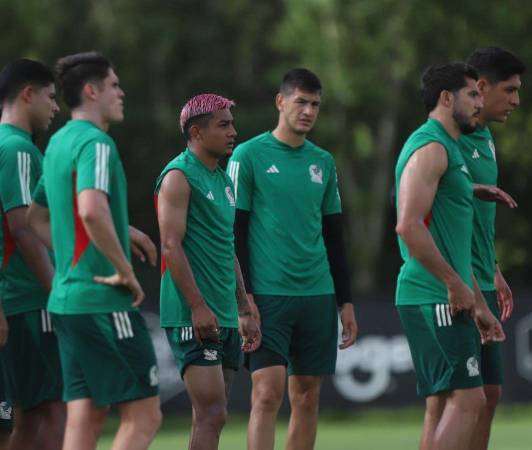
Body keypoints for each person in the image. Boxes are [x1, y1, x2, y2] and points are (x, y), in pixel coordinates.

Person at [27, 51, 161, 450]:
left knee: (85, 418)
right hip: (103, 300)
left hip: (67, 302)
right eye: (115, 85)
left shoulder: (56, 144)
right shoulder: (96, 143)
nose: (121, 92)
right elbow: (90, 208)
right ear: (92, 90)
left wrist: (100, 242)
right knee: (144, 417)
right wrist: (123, 268)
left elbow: (37, 219)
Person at [227, 68, 358, 450]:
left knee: (307, 397)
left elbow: (335, 236)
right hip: (267, 296)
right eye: (301, 101)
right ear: (280, 102)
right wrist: (244, 297)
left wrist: (345, 300)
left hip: (317, 295)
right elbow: (235, 232)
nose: (308, 111)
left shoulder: (324, 162)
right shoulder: (248, 155)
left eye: (315, 104)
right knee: (266, 394)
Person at [394, 63, 505, 450]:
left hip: (448, 296)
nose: (480, 102)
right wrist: (455, 285)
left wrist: (476, 300)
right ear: (446, 98)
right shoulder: (431, 147)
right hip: (431, 295)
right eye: (473, 94)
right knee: (468, 400)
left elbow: (450, 241)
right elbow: (408, 226)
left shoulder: (450, 148)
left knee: (462, 401)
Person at [155, 93, 260, 450]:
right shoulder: (178, 176)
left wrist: (243, 307)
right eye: (224, 124)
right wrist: (198, 306)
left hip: (225, 314)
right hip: (193, 313)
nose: (234, 131)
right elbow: (170, 246)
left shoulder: (223, 180)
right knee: (212, 413)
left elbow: (226, 247)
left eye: (232, 123)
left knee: (213, 417)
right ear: (197, 132)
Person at [459, 47, 525, 450]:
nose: (517, 101)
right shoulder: (444, 139)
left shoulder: (485, 137)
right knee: (458, 401)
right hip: (455, 284)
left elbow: (478, 219)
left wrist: (494, 268)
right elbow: (421, 214)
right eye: (511, 90)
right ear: (481, 88)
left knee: (490, 394)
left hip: (483, 276)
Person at [0, 58, 64, 450]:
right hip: (30, 298)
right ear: (28, 94)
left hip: (15, 301)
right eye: (51, 97)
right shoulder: (18, 150)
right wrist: (58, 292)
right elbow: (23, 227)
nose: (56, 107)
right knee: (58, 412)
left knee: (27, 418)